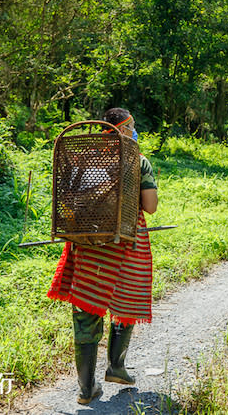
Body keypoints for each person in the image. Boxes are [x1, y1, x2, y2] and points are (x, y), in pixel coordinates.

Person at [46, 108, 159, 404]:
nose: (134, 132)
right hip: (123, 247)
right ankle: (117, 366)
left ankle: (86, 390)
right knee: (126, 301)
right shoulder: (139, 161)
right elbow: (150, 207)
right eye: (131, 127)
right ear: (122, 130)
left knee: (86, 310)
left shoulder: (84, 162)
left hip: (88, 246)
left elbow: (71, 206)